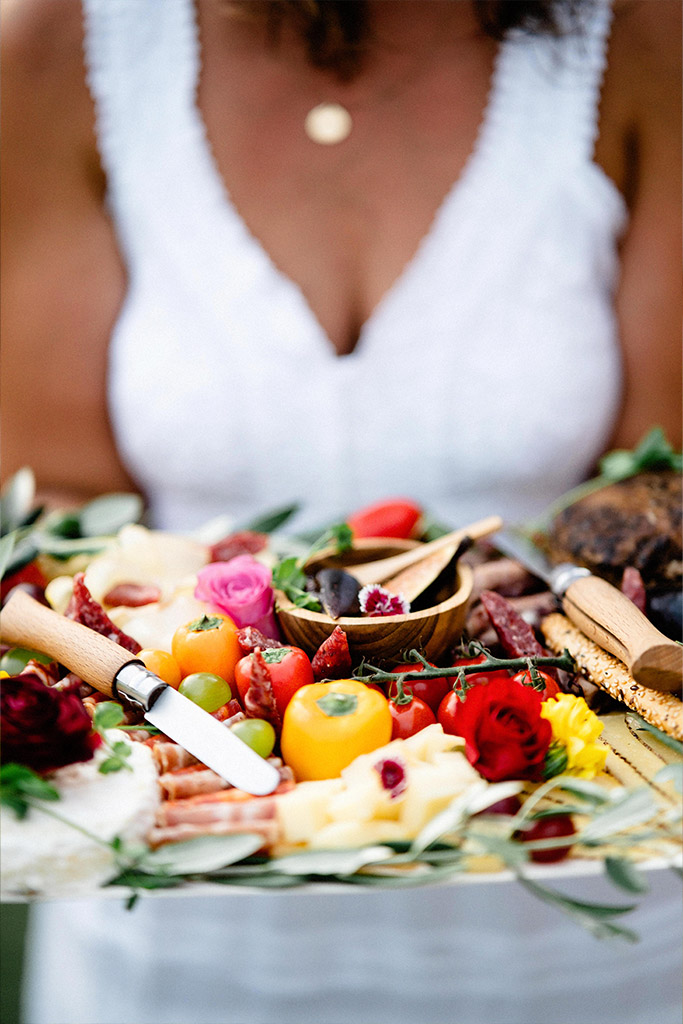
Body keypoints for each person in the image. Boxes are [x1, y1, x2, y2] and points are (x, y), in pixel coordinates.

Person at [1, 1, 681, 1022]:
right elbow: (56, 496)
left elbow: (655, 507)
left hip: (579, 933)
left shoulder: (644, 35)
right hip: (171, 950)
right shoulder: (57, 46)